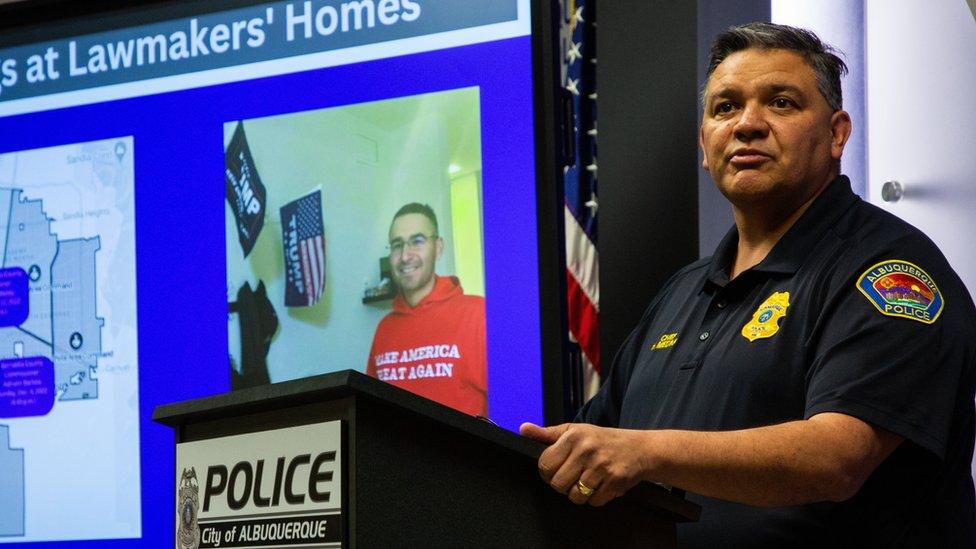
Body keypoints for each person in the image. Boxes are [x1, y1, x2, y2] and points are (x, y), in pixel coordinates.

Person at [520, 23, 976, 546]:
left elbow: (839, 458)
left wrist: (645, 452)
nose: (747, 125)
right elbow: (600, 446)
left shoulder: (890, 270)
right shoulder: (680, 293)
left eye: (781, 103)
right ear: (703, 142)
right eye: (725, 107)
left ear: (837, 133)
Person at [366, 203, 487, 416]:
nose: (405, 256)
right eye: (397, 245)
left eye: (417, 241)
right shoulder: (384, 328)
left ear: (438, 247)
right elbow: (370, 410)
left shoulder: (479, 314)